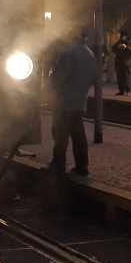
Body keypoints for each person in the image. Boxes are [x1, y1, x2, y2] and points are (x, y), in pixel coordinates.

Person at [48, 25, 96, 176]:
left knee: (60, 133)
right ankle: (82, 166)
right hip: (79, 100)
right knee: (78, 134)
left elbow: (59, 76)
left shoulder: (69, 51)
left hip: (64, 99)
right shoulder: (90, 54)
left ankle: (58, 164)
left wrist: (47, 87)